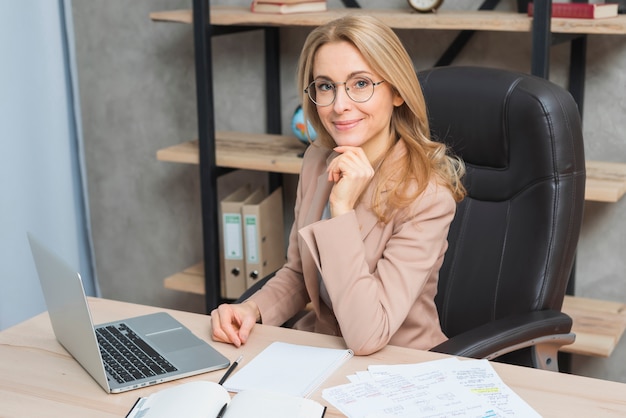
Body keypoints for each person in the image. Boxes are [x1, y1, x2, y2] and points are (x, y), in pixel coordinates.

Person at [211, 15, 466, 355]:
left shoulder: (427, 197)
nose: (339, 105)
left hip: (399, 367)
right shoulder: (318, 161)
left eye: (360, 83)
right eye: (326, 86)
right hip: (323, 354)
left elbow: (367, 336)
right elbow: (300, 274)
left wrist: (341, 209)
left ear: (397, 92)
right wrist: (252, 310)